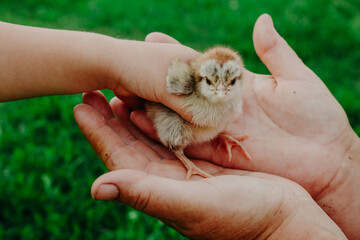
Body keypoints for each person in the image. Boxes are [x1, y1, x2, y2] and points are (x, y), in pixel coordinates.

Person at [1, 13, 358, 239]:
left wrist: (283, 225)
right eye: (211, 83)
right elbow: (175, 82)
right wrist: (342, 173)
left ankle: (206, 146)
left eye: (229, 85)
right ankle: (184, 157)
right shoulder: (189, 85)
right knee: (181, 130)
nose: (220, 91)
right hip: (177, 126)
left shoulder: (231, 95)